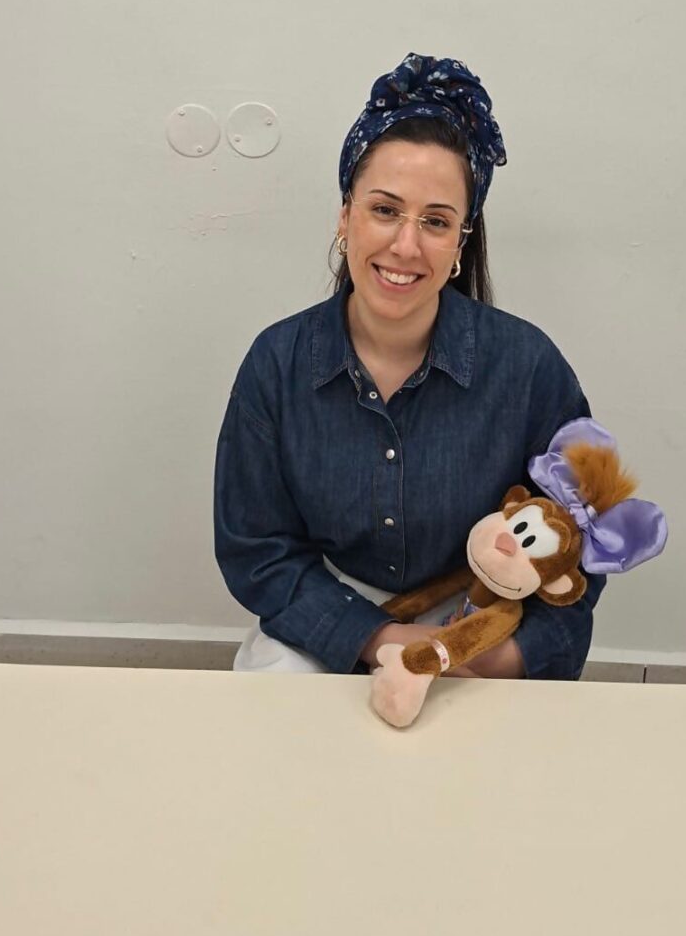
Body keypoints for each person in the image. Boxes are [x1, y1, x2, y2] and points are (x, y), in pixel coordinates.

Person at [214, 52, 605, 680]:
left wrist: (484, 657)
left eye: (436, 221)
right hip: (326, 611)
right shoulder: (276, 363)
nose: (405, 245)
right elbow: (257, 552)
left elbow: (577, 546)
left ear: (461, 242)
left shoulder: (530, 367)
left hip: (479, 617)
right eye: (385, 210)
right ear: (345, 216)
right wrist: (380, 639)